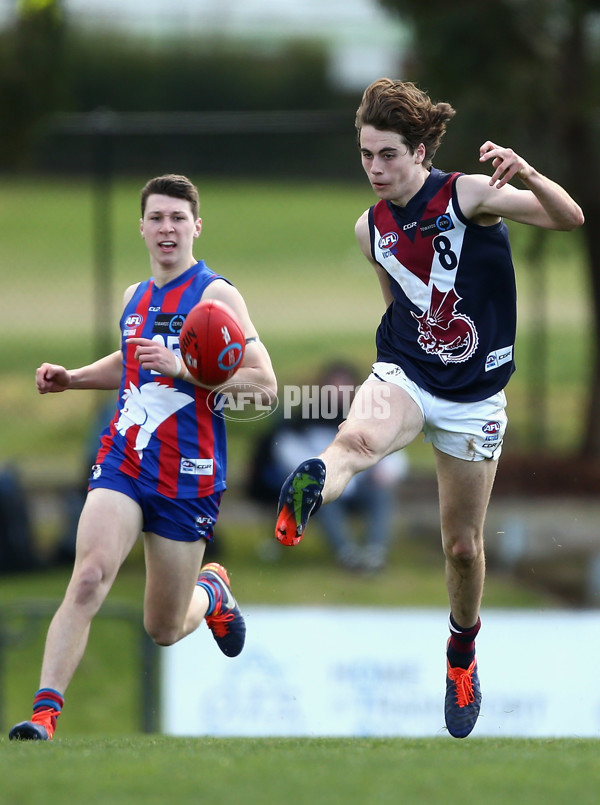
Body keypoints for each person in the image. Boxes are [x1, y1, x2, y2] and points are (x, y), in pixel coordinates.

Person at [275, 79, 584, 738]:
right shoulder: (370, 230)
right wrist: (405, 363)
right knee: (356, 441)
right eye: (365, 155)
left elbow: (569, 219)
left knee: (463, 547)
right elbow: (399, 303)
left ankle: (462, 650)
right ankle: (308, 488)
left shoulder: (467, 194)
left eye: (388, 154)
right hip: (408, 372)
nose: (375, 169)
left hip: (474, 396)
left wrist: (527, 172)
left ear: (419, 151)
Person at [9, 174, 277, 741]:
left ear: (196, 227)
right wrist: (74, 379)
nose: (167, 229)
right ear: (142, 228)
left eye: (178, 218)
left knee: (161, 627)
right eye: (156, 218)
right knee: (88, 577)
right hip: (126, 460)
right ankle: (43, 716)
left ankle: (211, 593)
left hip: (190, 477)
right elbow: (131, 361)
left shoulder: (216, 296)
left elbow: (265, 385)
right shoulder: (136, 296)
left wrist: (186, 369)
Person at [249, 360, 408, 571]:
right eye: (333, 386)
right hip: (327, 485)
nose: (338, 392)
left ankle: (374, 554)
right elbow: (287, 450)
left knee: (381, 493)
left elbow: (392, 452)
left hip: (360, 484)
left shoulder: (366, 418)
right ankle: (347, 554)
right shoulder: (303, 420)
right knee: (319, 493)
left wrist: (385, 470)